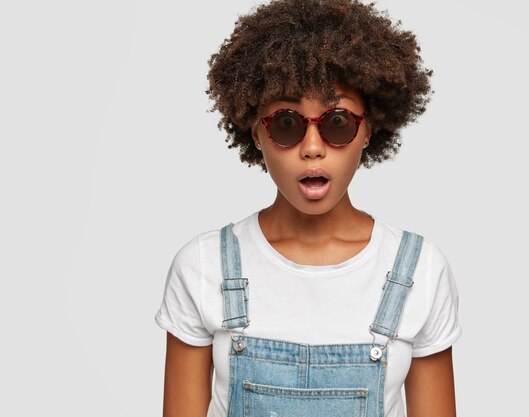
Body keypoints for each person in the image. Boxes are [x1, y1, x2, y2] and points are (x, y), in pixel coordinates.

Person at [154, 0, 462, 416]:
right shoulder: (204, 266)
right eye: (287, 123)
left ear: (369, 129)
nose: (312, 148)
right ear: (255, 132)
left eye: (337, 122)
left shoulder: (419, 269)